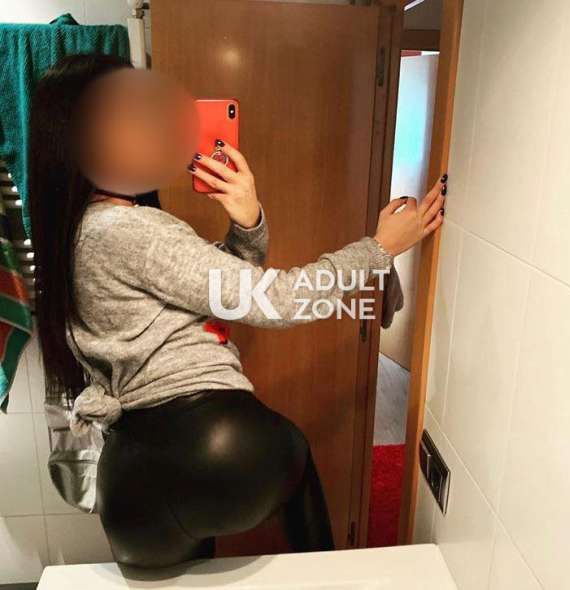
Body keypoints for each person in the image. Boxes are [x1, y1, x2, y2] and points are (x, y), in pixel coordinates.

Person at [27, 53, 446, 568]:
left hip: (131, 485)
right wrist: (380, 248)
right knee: (319, 556)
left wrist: (247, 223)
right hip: (217, 444)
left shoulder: (74, 235)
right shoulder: (129, 230)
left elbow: (220, 293)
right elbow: (279, 301)